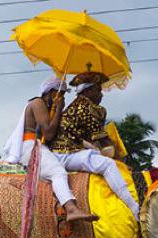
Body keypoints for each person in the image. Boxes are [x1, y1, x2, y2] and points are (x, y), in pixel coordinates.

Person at [47, 72, 141, 221]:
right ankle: (135, 209)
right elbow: (103, 140)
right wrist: (121, 163)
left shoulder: (77, 105)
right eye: (98, 90)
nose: (101, 94)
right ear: (88, 91)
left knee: (97, 155)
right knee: (108, 164)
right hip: (65, 154)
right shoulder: (88, 108)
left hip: (68, 151)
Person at [2, 77, 97, 223]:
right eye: (62, 94)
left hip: (39, 147)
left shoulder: (48, 108)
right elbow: (48, 133)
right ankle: (71, 209)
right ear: (53, 92)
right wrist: (58, 110)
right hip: (30, 147)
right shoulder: (38, 103)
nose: (63, 98)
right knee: (58, 172)